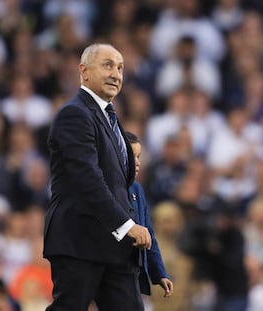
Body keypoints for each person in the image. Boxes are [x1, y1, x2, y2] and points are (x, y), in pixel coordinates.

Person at [43, 43, 152, 311]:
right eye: (107, 65)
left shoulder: (111, 120)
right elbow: (87, 178)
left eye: (121, 68)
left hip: (115, 246)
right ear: (84, 71)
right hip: (79, 240)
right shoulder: (74, 114)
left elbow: (123, 188)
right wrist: (126, 225)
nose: (116, 73)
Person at [125, 131, 173, 297]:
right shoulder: (107, 188)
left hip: (131, 270)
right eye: (132, 156)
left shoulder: (137, 189)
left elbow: (149, 234)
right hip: (108, 267)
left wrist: (159, 273)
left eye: (139, 156)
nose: (137, 162)